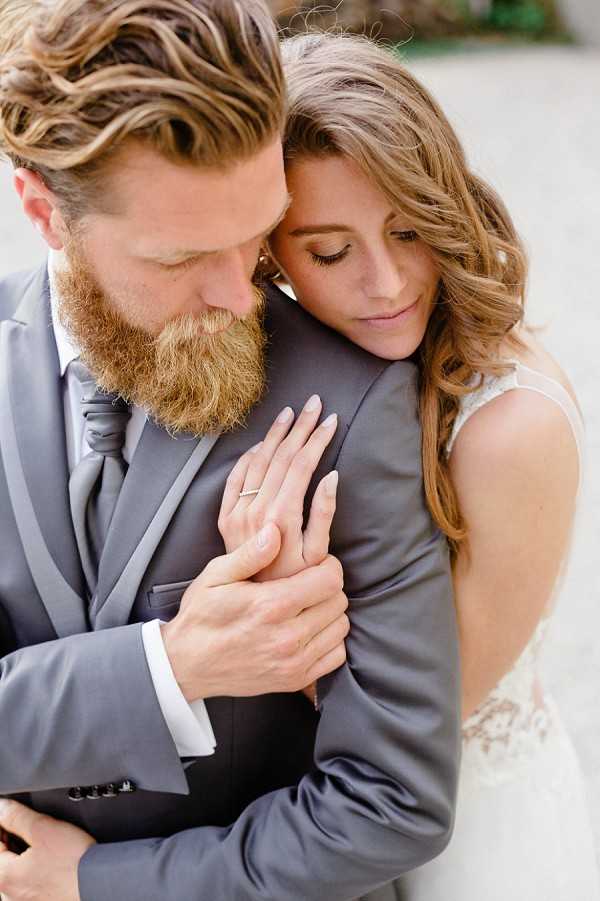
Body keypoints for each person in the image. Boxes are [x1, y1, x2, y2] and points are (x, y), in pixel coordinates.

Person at [0, 3, 460, 901]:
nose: (243, 293)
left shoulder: (354, 400)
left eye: (259, 234)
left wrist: (98, 883)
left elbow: (392, 800)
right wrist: (168, 669)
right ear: (43, 211)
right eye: (183, 257)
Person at [242, 30, 597, 901]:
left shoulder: (508, 427)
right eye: (330, 251)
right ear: (269, 253)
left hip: (481, 844)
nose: (388, 280)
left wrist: (281, 600)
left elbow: (420, 724)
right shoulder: (311, 364)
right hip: (343, 828)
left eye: (409, 229)